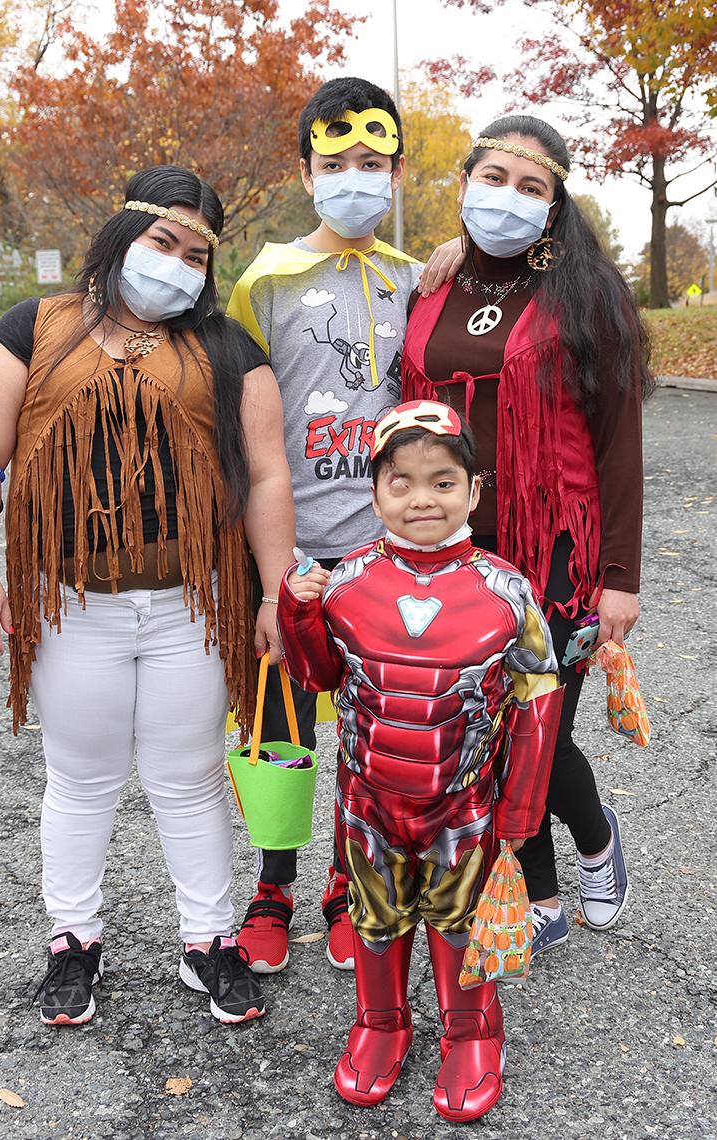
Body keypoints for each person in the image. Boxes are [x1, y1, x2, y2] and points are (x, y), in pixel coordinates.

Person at [0, 165, 295, 1028]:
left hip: (190, 604)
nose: (176, 265)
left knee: (190, 778)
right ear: (120, 235)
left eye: (197, 254)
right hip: (71, 603)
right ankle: (74, 941)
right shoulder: (34, 327)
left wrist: (274, 595)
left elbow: (267, 475)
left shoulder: (226, 348)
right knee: (82, 779)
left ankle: (209, 942)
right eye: (162, 241)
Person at [403, 116, 653, 955]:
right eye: (494, 178)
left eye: (531, 186)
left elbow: (619, 441)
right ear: (466, 182)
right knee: (484, 730)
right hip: (454, 552)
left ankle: (572, 860)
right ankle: (559, 874)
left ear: (555, 207)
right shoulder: (434, 284)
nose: (507, 198)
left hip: (553, 549)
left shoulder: (588, 295)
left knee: (534, 727)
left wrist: (620, 574)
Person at [277, 400, 563, 1122]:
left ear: (474, 490)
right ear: (373, 493)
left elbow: (537, 697)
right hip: (369, 802)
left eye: (442, 481)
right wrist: (297, 613)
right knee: (376, 919)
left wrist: (524, 805)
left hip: (462, 805)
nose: (421, 498)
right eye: (399, 482)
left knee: (460, 920)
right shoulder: (343, 583)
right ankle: (380, 1025)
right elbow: (318, 678)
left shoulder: (507, 590)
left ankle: (472, 1035)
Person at [227, 77, 424, 975]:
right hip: (289, 556)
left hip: (382, 559)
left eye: (373, 164)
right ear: (306, 174)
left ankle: (351, 883)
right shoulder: (263, 282)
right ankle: (273, 889)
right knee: (278, 729)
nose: (356, 178)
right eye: (337, 163)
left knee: (372, 734)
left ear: (396, 175)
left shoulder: (419, 281)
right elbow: (233, 424)